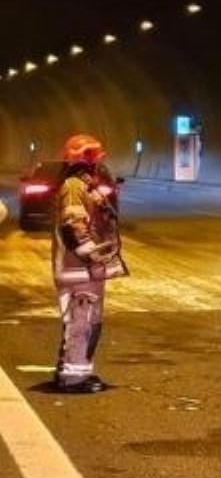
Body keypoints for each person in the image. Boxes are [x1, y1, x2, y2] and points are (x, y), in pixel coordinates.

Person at [50, 133, 128, 394]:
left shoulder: (84, 185)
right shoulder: (74, 186)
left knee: (88, 323)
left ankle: (79, 373)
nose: (96, 161)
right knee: (80, 323)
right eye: (92, 156)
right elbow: (73, 227)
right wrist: (93, 257)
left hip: (85, 270)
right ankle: (72, 379)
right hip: (78, 270)